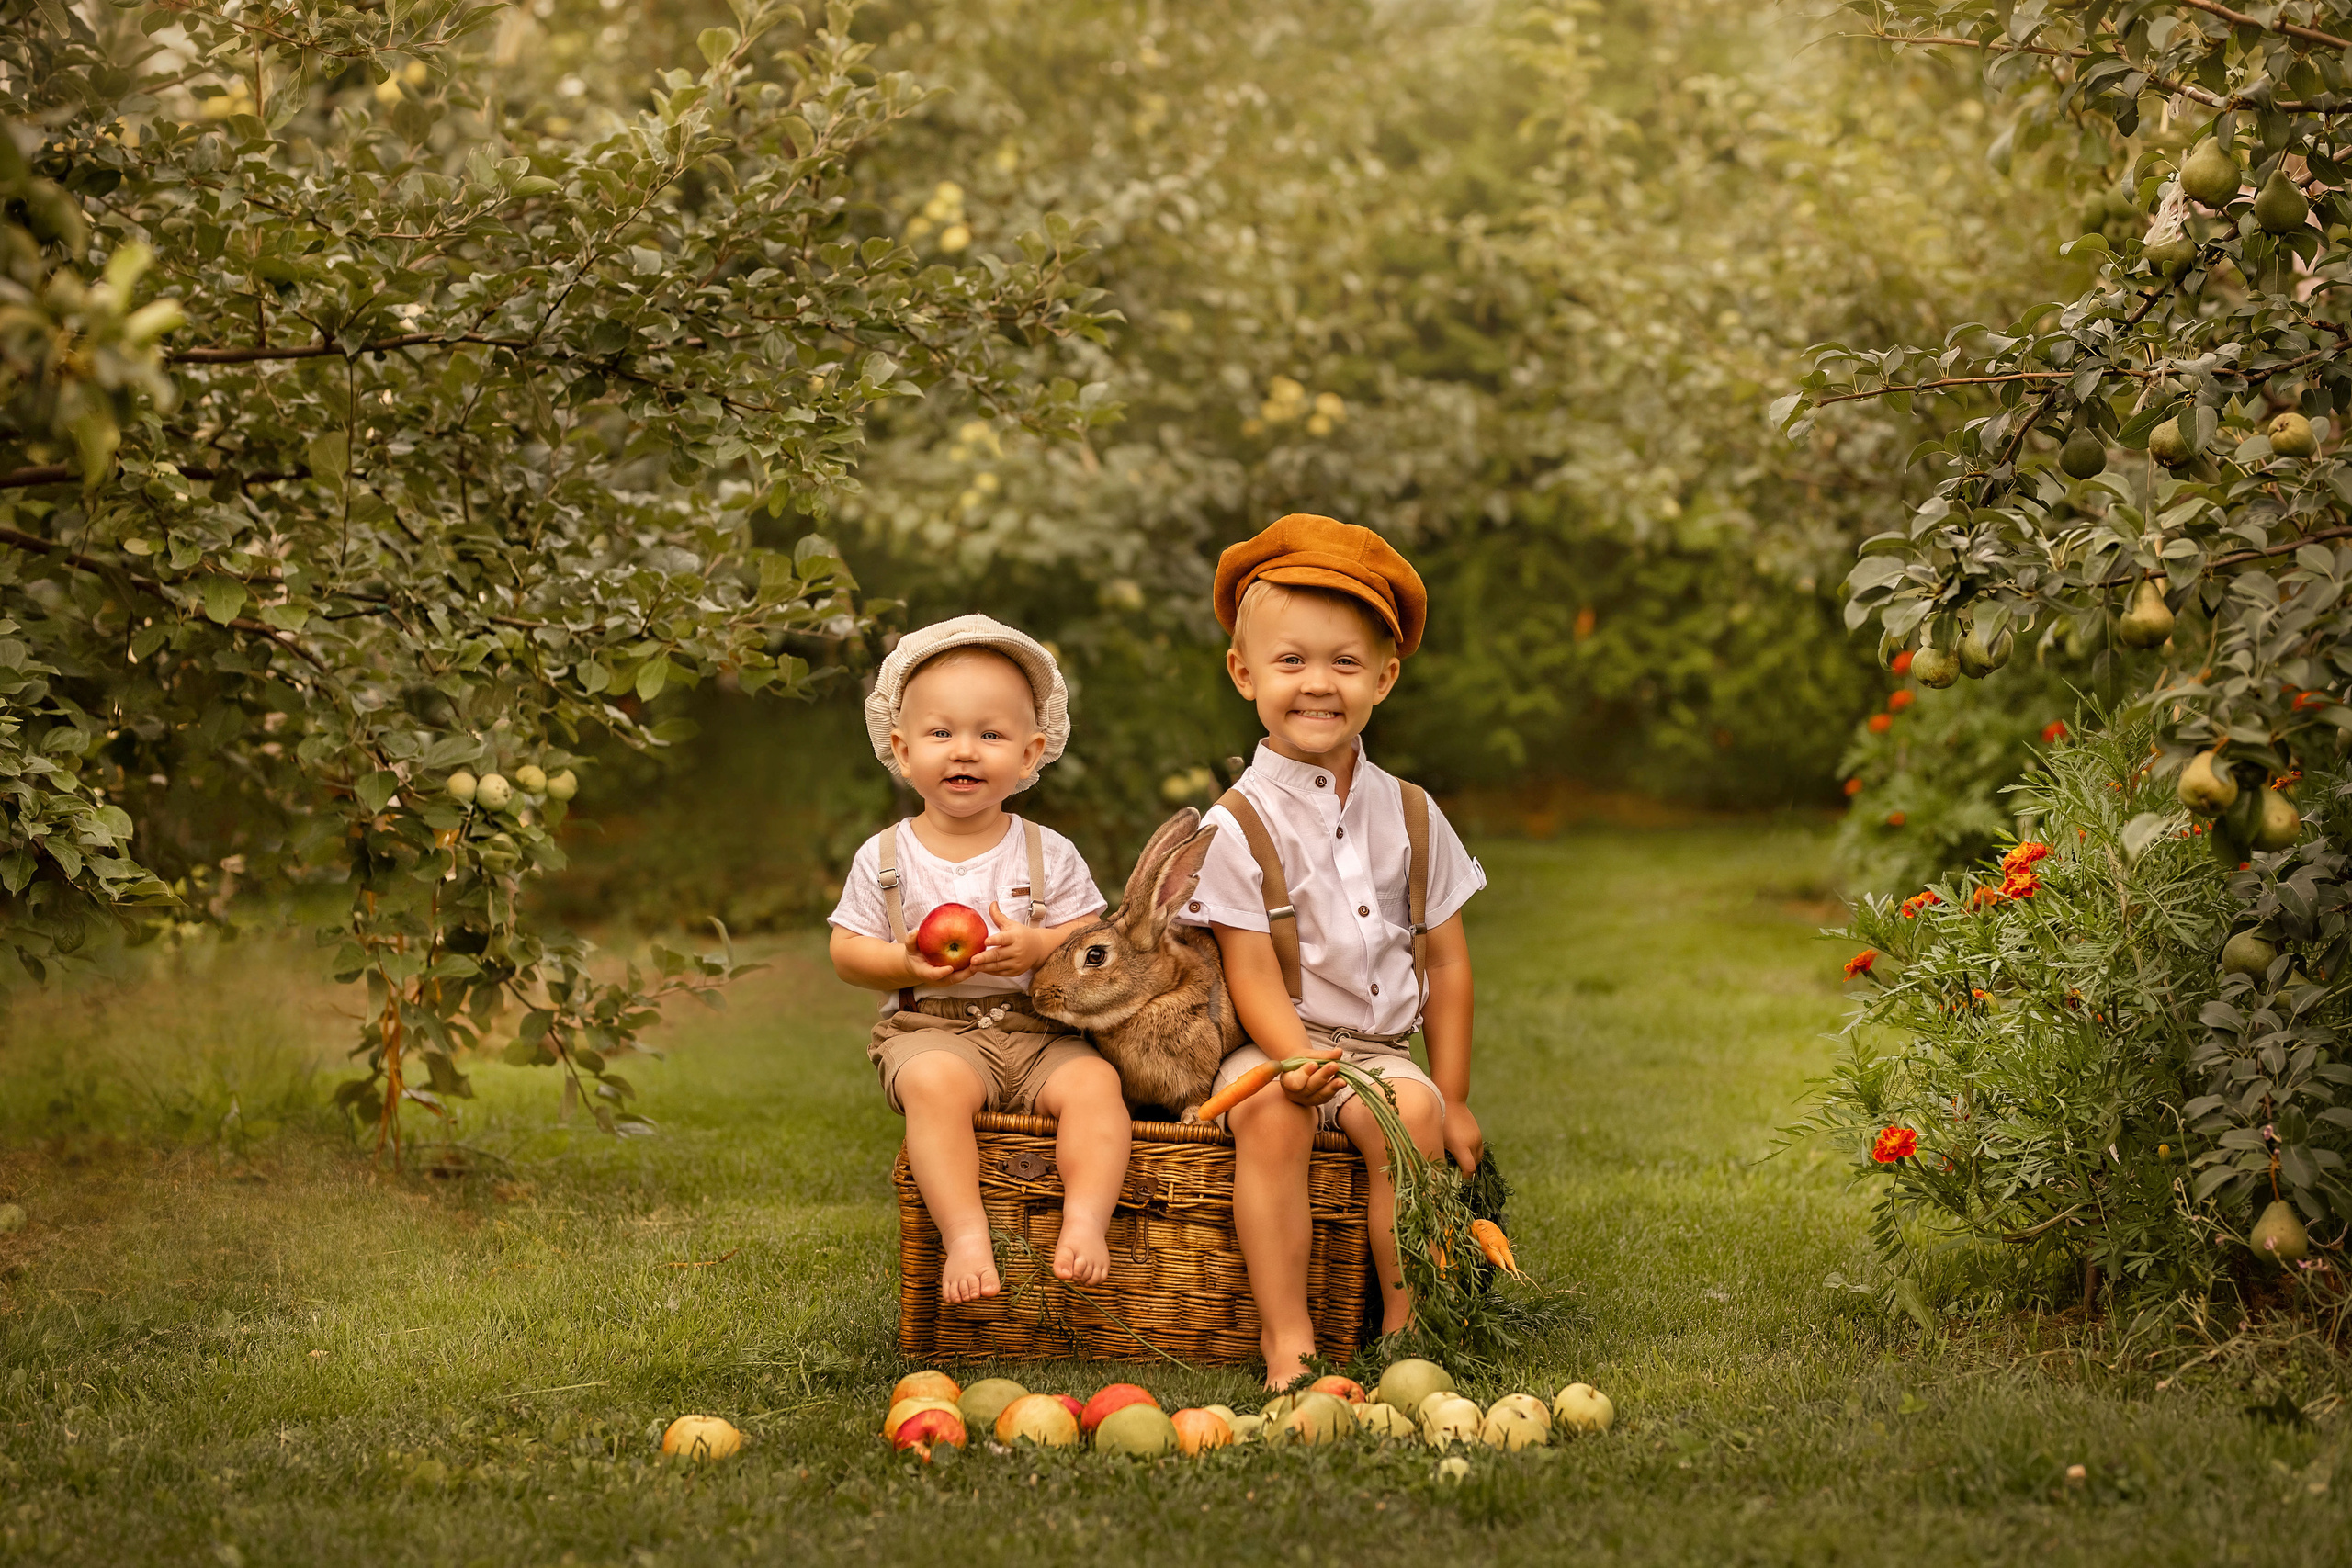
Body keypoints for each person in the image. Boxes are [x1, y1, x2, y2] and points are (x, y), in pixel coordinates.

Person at [1177, 514, 1487, 1387]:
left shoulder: (1414, 814)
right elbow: (1247, 965)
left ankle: (1406, 1328)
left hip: (1381, 1051)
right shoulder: (1236, 823)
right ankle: (1288, 1337)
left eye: (1345, 663)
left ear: (1385, 677)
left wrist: (1454, 1095)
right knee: (1272, 1116)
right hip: (1274, 1040)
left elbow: (1449, 962)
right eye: (1291, 661)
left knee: (1414, 1116)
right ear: (1244, 673)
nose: (1319, 685)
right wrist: (1295, 1055)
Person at [827, 615, 1131, 1303]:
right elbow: (847, 951)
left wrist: (1039, 944)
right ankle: (966, 1234)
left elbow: (1098, 936)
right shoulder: (884, 857)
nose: (964, 751)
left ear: (1030, 754)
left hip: (1038, 1030)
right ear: (902, 750)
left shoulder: (1048, 851)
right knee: (933, 1085)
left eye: (990, 734)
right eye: (941, 733)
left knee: (1096, 1090)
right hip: (932, 1028)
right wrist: (904, 963)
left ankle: (1085, 1220)